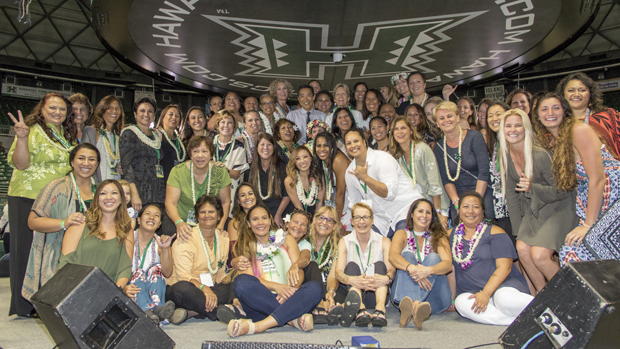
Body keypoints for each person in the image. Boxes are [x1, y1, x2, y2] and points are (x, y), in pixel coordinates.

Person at [8, 92, 78, 317]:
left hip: (54, 199)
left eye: (62, 109)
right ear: (42, 109)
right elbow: (21, 164)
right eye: (53, 108)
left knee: (47, 251)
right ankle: (24, 304)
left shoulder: (64, 134)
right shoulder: (30, 131)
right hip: (28, 196)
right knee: (25, 250)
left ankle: (42, 300)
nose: (57, 112)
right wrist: (20, 138)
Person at [532, 93, 620, 264]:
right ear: (537, 116)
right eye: (544, 109)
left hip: (613, 196)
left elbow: (598, 179)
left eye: (556, 107)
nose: (550, 112)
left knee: (575, 253)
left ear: (565, 111)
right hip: (599, 198)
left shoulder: (579, 130)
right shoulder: (557, 139)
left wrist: (588, 225)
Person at [499, 108, 577, 293]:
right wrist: (518, 231)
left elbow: (562, 191)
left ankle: (570, 296)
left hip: (558, 207)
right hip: (534, 210)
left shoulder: (540, 155)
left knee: (540, 255)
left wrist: (533, 188)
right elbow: (511, 195)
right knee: (522, 250)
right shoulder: (506, 157)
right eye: (508, 126)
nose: (513, 130)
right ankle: (543, 297)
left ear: (526, 128)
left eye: (518, 125)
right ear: (502, 130)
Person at [226, 204, 323, 337]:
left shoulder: (286, 239)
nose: (260, 222)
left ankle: (259, 326)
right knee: (240, 282)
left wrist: (287, 290)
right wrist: (278, 287)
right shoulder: (244, 245)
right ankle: (292, 319)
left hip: (289, 297)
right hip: (260, 301)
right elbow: (250, 278)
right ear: (248, 223)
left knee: (316, 287)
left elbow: (298, 270)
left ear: (271, 220)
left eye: (264, 218)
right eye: (255, 219)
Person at [22, 144, 99, 301]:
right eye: (81, 158)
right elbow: (33, 221)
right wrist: (63, 222)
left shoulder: (100, 191)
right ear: (71, 162)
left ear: (97, 164)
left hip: (91, 256)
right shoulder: (56, 187)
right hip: (59, 258)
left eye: (92, 159)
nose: (86, 163)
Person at [450, 192, 533, 326]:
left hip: (503, 287)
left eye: (476, 207)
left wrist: (486, 292)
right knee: (461, 303)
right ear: (459, 211)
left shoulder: (495, 232)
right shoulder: (450, 235)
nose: (470, 211)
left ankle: (547, 310)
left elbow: (504, 267)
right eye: (465, 207)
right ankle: (514, 323)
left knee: (502, 299)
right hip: (472, 292)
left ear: (483, 212)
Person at [59, 180, 134, 296]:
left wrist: (115, 290)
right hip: (76, 293)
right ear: (97, 198)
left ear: (121, 199)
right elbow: (65, 265)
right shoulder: (79, 225)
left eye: (114, 193)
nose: (108, 197)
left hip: (108, 296)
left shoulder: (127, 230)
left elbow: (125, 268)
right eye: (103, 193)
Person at [165, 195, 233, 324]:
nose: (207, 215)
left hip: (212, 288)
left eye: (211, 211)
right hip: (187, 287)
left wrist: (233, 279)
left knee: (236, 283)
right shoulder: (185, 238)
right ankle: (224, 311)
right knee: (181, 289)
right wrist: (204, 289)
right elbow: (183, 276)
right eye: (202, 212)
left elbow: (220, 273)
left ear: (219, 216)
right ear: (197, 216)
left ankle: (193, 311)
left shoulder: (223, 238)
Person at [344, 129, 423, 238]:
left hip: (404, 209)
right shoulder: (350, 172)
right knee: (364, 242)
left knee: (400, 243)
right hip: (380, 219)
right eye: (348, 143)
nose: (353, 145)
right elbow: (354, 204)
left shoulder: (382, 158)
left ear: (364, 142)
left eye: (356, 141)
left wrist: (365, 178)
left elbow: (389, 194)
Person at [389, 199, 452, 330]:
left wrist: (428, 270)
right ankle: (415, 307)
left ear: (432, 217)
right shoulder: (402, 233)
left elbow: (447, 265)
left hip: (435, 299)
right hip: (403, 298)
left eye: (428, 212)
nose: (424, 215)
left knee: (434, 257)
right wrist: (411, 267)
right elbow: (393, 256)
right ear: (412, 214)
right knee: (407, 256)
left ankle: (414, 305)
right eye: (420, 211)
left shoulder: (439, 236)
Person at [334, 203, 394, 327]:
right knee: (351, 266)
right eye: (357, 217)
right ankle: (360, 309)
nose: (362, 222)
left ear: (372, 220)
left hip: (376, 292)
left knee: (379, 265)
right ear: (352, 221)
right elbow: (338, 272)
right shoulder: (344, 241)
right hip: (354, 294)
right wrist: (351, 279)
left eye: (366, 217)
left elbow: (391, 270)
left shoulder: (384, 241)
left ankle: (380, 309)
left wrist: (386, 278)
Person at [433, 101, 494, 221]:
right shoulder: (439, 147)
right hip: (458, 198)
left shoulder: (475, 137)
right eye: (441, 118)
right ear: (437, 123)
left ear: (457, 117)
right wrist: (457, 203)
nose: (446, 120)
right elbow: (446, 179)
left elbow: (484, 172)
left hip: (481, 193)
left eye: (449, 116)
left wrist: (475, 203)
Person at [165, 136, 231, 237]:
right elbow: (170, 202)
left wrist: (220, 225)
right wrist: (179, 223)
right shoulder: (177, 171)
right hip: (183, 221)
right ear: (190, 154)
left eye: (204, 151)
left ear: (211, 154)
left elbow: (225, 202)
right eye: (196, 151)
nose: (200, 155)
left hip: (211, 222)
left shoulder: (220, 171)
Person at [389, 116, 449, 228]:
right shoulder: (397, 156)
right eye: (396, 129)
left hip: (435, 205)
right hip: (416, 207)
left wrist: (438, 213)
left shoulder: (422, 149)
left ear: (411, 131)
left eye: (403, 128)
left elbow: (434, 183)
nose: (399, 132)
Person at [127, 204, 176, 324]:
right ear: (138, 220)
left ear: (159, 224)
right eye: (148, 213)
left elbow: (168, 273)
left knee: (156, 268)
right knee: (138, 272)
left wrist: (165, 249)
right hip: (130, 288)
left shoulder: (161, 242)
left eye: (156, 215)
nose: (152, 217)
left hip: (151, 289)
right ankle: (149, 311)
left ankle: (156, 308)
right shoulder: (127, 238)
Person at [556, 72, 620, 158]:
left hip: (611, 169)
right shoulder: (557, 123)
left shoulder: (609, 116)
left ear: (590, 95)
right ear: (563, 95)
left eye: (582, 90)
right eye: (571, 90)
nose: (576, 94)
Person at [120, 97, 164, 214]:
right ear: (135, 114)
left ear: (154, 115)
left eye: (150, 111)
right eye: (142, 111)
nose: (146, 114)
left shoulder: (157, 136)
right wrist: (133, 194)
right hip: (139, 191)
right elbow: (126, 165)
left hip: (157, 191)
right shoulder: (129, 133)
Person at [247, 133, 293, 227]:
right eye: (262, 144)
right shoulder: (251, 168)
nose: (265, 148)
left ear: (274, 147)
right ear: (257, 147)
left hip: (281, 211)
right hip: (259, 213)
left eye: (269, 145)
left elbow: (287, 195)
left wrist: (278, 215)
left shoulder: (283, 166)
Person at [213, 110, 248, 215]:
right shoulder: (209, 143)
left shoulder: (239, 146)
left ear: (234, 127)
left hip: (230, 190)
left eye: (230, 123)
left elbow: (236, 175)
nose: (226, 126)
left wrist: (225, 169)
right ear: (218, 125)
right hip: (210, 188)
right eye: (223, 122)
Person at [484, 102, 512, 235]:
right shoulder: (493, 143)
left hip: (513, 202)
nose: (494, 118)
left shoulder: (514, 140)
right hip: (498, 205)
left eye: (498, 114)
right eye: (490, 115)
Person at [313, 132, 351, 229]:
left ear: (332, 146)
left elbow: (341, 193)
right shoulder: (323, 159)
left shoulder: (338, 160)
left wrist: (336, 221)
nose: (321, 149)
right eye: (319, 146)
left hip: (348, 201)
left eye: (326, 145)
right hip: (336, 201)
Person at [83, 95, 124, 182]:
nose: (114, 111)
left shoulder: (118, 135)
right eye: (110, 108)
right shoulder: (91, 131)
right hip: (97, 184)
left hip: (115, 184)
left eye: (117, 108)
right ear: (102, 110)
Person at [226, 183, 263, 267]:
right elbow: (234, 253)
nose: (247, 197)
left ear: (256, 197)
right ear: (238, 201)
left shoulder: (266, 217)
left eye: (250, 193)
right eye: (243, 195)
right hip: (245, 265)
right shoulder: (234, 223)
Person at [284, 146, 325, 216]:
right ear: (294, 162)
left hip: (316, 217)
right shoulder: (289, 180)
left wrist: (315, 222)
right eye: (298, 158)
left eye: (305, 157)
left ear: (311, 158)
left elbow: (319, 204)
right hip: (299, 218)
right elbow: (299, 208)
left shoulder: (319, 176)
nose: (302, 161)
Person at [157, 105, 187, 183]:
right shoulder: (156, 135)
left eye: (177, 116)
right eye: (170, 114)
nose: (174, 117)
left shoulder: (179, 140)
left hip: (176, 182)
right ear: (163, 118)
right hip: (160, 182)